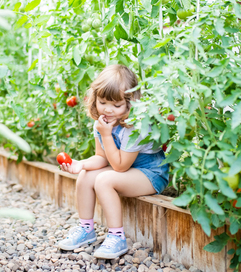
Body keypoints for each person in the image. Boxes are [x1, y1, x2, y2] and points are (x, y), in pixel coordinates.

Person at [57, 64, 169, 259]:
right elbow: (101, 157)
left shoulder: (135, 127)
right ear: (95, 99)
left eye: (116, 105)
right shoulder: (101, 123)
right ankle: (86, 229)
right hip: (128, 170)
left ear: (130, 103)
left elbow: (119, 166)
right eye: (102, 102)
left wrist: (107, 135)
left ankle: (117, 236)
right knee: (86, 176)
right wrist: (80, 164)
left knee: (104, 180)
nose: (108, 110)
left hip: (151, 173)